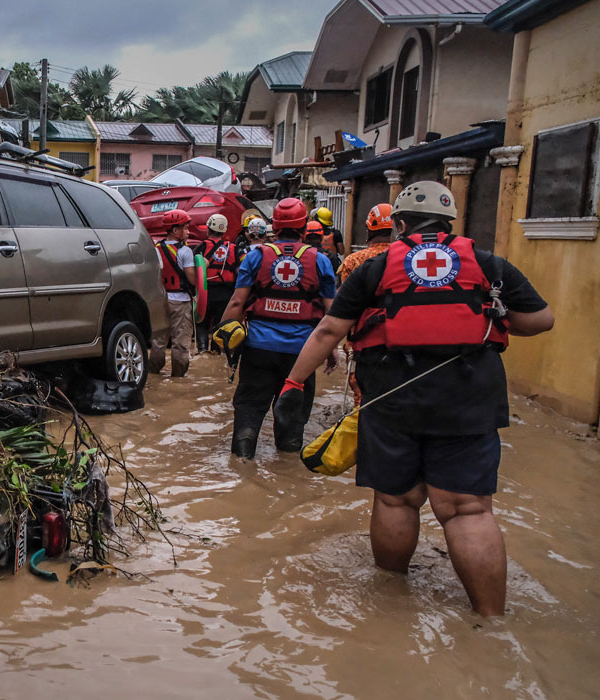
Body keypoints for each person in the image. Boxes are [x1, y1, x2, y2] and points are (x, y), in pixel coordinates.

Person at [274, 181, 553, 616]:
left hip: (391, 396)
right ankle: (490, 621)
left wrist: (293, 383)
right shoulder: (487, 263)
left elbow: (330, 330)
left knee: (394, 499)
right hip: (470, 398)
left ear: (400, 224)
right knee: (468, 511)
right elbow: (541, 320)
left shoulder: (376, 267)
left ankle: (391, 606)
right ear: (449, 222)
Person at [218, 197, 338, 458]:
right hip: (302, 355)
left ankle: (242, 463)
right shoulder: (321, 261)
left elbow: (238, 302)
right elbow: (332, 312)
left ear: (275, 226)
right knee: (293, 418)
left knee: (248, 410)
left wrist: (224, 339)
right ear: (304, 226)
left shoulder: (256, 256)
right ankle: (287, 462)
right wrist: (331, 350)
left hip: (257, 348)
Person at [337, 203, 395, 404]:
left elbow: (346, 308)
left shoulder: (353, 261)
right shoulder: (405, 257)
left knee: (360, 391)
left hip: (363, 340)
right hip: (400, 336)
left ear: (369, 228)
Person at [149, 208, 196, 377]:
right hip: (180, 301)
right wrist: (202, 266)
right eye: (185, 228)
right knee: (181, 343)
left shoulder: (155, 249)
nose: (188, 232)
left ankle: (153, 374)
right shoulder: (185, 251)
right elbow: (193, 279)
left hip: (159, 300)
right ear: (176, 231)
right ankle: (178, 379)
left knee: (158, 342)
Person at [194, 213, 237, 353]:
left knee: (201, 322)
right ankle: (216, 352)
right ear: (224, 231)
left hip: (206, 291)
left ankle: (202, 350)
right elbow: (238, 271)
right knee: (220, 324)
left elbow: (195, 267)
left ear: (208, 229)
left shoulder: (202, 246)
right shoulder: (233, 248)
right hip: (226, 292)